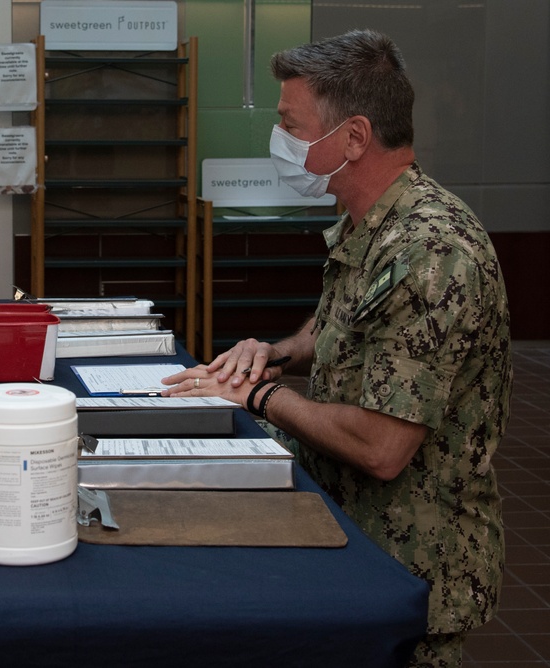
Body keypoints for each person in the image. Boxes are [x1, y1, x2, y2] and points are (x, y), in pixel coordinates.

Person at [162, 30, 511, 667]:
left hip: (406, 575)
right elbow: (335, 331)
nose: (281, 142)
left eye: (291, 126)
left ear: (353, 137)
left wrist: (258, 395)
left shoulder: (430, 251)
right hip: (352, 542)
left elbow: (381, 448)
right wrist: (273, 354)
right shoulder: (375, 224)